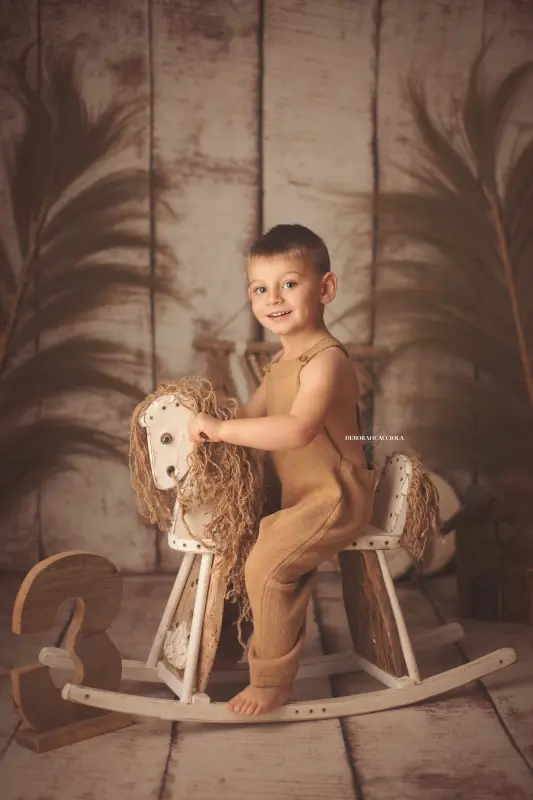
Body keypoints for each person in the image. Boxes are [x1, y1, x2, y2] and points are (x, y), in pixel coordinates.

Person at [187, 224, 379, 716]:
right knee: (235, 544)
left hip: (334, 496)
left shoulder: (327, 361)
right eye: (259, 288)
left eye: (289, 284)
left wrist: (223, 430)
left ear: (326, 288)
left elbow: (297, 430)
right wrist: (205, 421)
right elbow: (250, 415)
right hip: (296, 494)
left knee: (267, 565)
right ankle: (227, 646)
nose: (273, 298)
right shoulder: (281, 360)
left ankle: (272, 681)